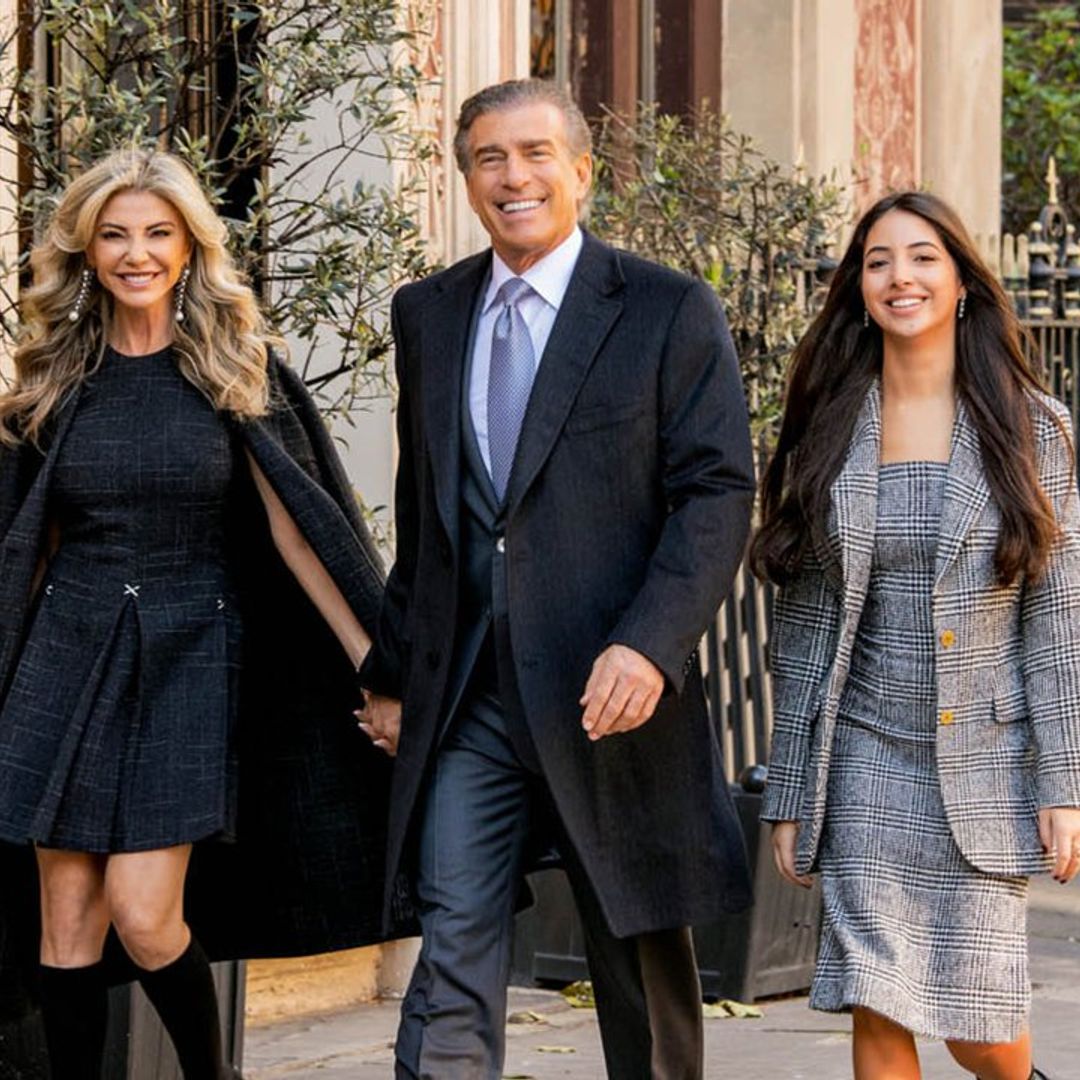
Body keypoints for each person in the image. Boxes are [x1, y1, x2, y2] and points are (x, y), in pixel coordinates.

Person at [355, 77, 755, 1080]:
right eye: (489, 158)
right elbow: (428, 514)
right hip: (471, 701)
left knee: (639, 963)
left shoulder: (666, 309)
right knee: (452, 941)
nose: (513, 176)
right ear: (466, 179)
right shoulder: (429, 314)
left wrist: (650, 643)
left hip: (607, 692)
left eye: (536, 154)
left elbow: (716, 493)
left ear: (582, 171)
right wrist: (395, 666)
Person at [0, 148, 400, 1079]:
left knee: (145, 918)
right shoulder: (54, 378)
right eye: (115, 235)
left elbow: (301, 532)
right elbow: (31, 543)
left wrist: (375, 668)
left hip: (188, 649)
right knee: (65, 924)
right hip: (70, 648)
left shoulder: (230, 367)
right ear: (87, 252)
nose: (136, 253)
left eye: (156, 234)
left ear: (188, 250)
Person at [752, 190, 1080, 1080]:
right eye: (879, 260)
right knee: (878, 998)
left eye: (924, 256)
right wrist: (792, 789)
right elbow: (809, 623)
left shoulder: (1032, 430)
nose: (902, 276)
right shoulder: (829, 428)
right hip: (863, 755)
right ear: (860, 289)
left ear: (963, 281)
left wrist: (1063, 785)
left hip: (984, 760)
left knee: (981, 1032)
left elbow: (1054, 622)